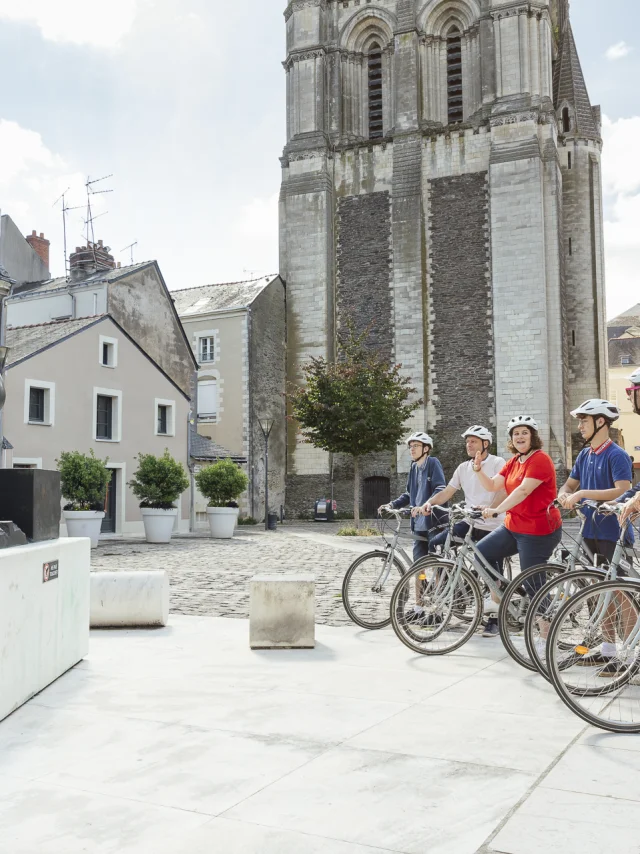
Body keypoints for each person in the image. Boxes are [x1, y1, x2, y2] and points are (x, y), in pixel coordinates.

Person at [471, 416, 563, 638]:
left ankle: (546, 634)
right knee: (481, 554)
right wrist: (478, 470)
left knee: (533, 581)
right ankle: (503, 595)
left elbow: (522, 491)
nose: (520, 436)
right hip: (514, 526)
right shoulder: (514, 461)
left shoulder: (540, 460)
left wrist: (495, 510)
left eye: (524, 432)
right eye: (516, 433)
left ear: (533, 436)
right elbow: (493, 485)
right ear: (511, 439)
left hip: (538, 530)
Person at [558, 399, 631, 567]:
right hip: (588, 530)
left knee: (617, 589)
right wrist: (563, 494)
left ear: (600, 421)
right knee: (594, 585)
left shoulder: (617, 455)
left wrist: (582, 493)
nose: (579, 426)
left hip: (613, 532)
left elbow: (623, 490)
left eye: (584, 421)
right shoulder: (584, 454)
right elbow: (569, 485)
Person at [415, 425, 506, 552]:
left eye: (473, 441)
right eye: (467, 441)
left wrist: (491, 508)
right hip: (469, 522)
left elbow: (503, 491)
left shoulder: (497, 462)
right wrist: (428, 503)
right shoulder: (463, 467)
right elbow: (447, 492)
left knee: (488, 562)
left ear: (485, 443)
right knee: (437, 544)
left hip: (492, 524)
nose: (469, 444)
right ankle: (450, 571)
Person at [379, 432, 446, 564]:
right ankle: (420, 585)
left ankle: (439, 584)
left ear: (426, 448)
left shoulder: (433, 463)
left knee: (436, 566)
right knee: (417, 566)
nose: (412, 449)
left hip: (433, 523)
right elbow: (409, 494)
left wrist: (425, 505)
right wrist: (391, 505)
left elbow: (440, 489)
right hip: (418, 525)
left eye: (416, 445)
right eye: (410, 446)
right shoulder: (413, 467)